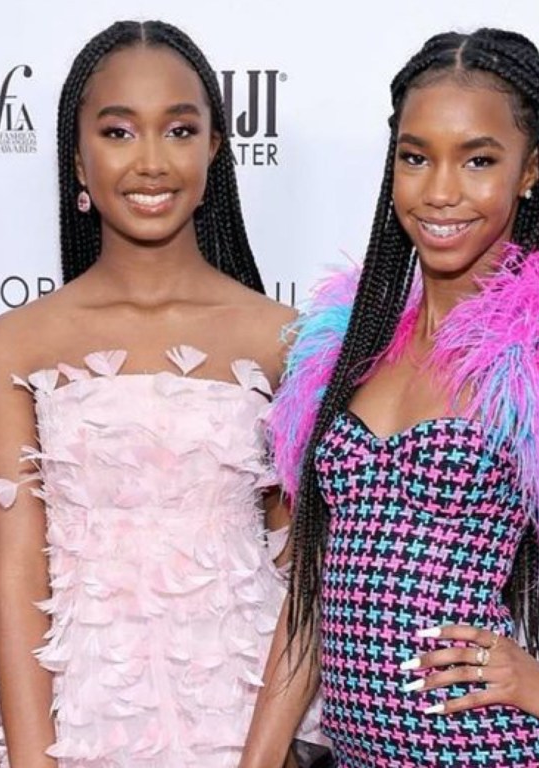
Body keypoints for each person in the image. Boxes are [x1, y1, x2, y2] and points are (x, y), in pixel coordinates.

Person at [0, 19, 310, 768]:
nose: (151, 162)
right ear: (78, 159)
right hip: (81, 725)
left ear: (215, 149)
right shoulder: (15, 345)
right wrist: (32, 759)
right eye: (119, 132)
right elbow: (19, 576)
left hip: (247, 725)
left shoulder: (284, 339)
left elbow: (302, 572)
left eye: (180, 129)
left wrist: (270, 751)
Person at [240, 27, 539, 767]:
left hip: (488, 749)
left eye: (478, 160)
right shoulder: (349, 348)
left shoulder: (528, 354)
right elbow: (310, 594)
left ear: (531, 170)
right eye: (416, 157)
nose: (440, 191)